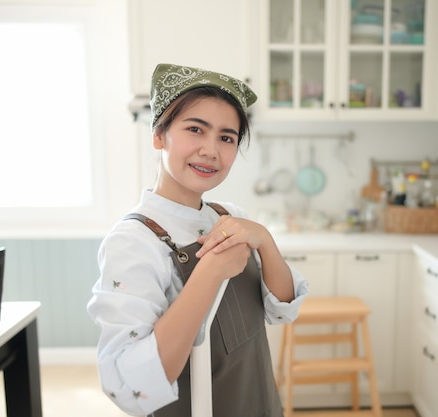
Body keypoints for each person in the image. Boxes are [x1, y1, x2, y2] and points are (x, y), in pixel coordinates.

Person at [87, 63, 309, 417]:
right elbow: (130, 386)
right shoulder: (134, 241)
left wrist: (264, 239)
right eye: (195, 129)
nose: (211, 150)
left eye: (226, 137)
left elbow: (281, 308)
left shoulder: (228, 214)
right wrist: (212, 270)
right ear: (159, 135)